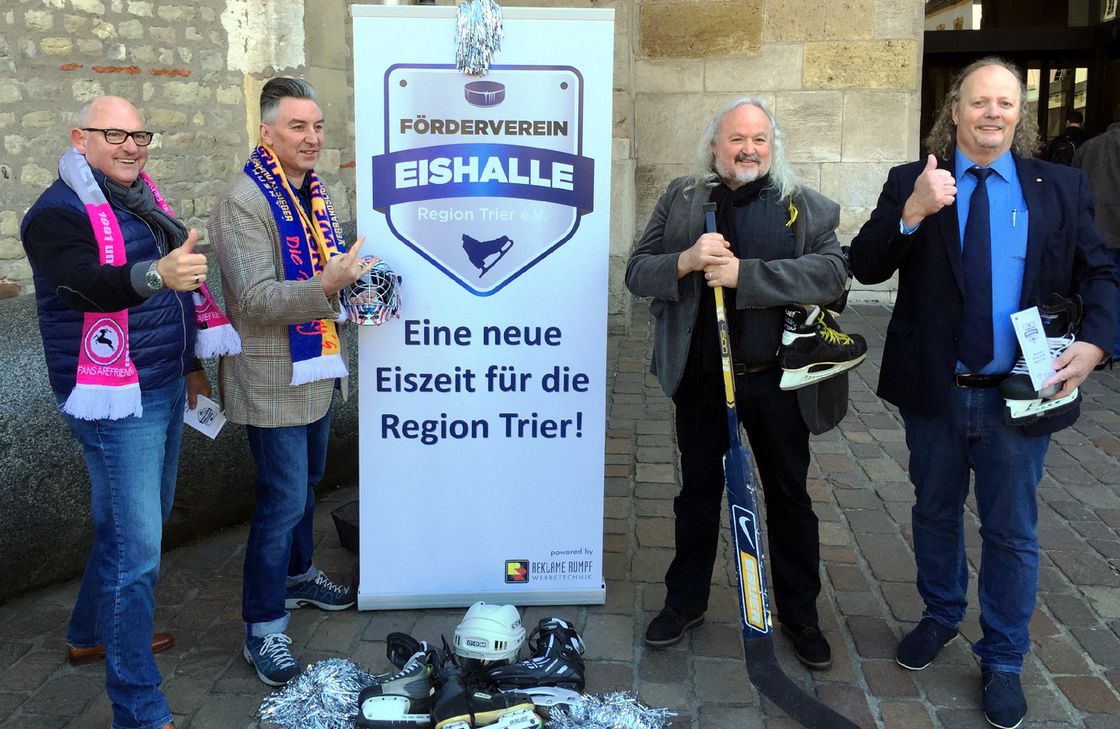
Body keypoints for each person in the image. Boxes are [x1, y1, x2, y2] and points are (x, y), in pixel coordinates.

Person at [849, 58, 1116, 729]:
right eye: (979, 102)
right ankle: (940, 612)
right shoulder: (915, 181)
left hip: (1020, 394)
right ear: (956, 109)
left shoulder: (1057, 186)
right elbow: (866, 262)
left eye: (1005, 103)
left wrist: (1100, 344)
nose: (992, 113)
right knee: (934, 510)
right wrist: (911, 213)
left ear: (1019, 113)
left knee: (1011, 531)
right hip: (936, 389)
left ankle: (1003, 656)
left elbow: (1102, 272)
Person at [625, 97, 853, 669]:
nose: (747, 149)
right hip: (703, 381)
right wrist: (684, 261)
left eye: (759, 140)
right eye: (736, 139)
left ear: (772, 147)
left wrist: (743, 276)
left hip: (777, 383)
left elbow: (832, 274)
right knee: (697, 494)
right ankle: (686, 602)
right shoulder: (682, 198)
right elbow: (636, 270)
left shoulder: (804, 205)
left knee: (789, 498)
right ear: (715, 146)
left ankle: (800, 615)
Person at [21, 96, 216, 729]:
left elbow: (178, 297)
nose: (132, 146)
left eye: (140, 135)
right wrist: (156, 274)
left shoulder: (142, 198)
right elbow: (82, 287)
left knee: (136, 527)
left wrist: (190, 362)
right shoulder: (53, 214)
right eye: (115, 135)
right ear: (80, 139)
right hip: (110, 397)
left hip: (158, 383)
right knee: (139, 553)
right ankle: (137, 705)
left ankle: (87, 632)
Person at [209, 77, 373, 686]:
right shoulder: (243, 200)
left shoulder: (313, 192)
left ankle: (300, 577)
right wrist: (329, 286)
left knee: (305, 487)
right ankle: (262, 628)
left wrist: (356, 281)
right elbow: (251, 301)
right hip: (269, 375)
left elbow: (325, 271)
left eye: (318, 126)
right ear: (267, 131)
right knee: (280, 501)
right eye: (298, 126)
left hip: (316, 369)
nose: (312, 137)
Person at [1074, 104, 1120, 358]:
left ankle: (1105, 341)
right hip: (1114, 229)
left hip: (1096, 229)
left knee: (1100, 287)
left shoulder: (1088, 147)